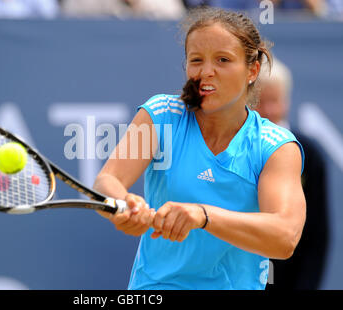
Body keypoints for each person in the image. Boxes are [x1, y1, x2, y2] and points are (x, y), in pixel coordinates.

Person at [93, 6, 306, 290]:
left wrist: (203, 216)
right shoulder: (161, 115)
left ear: (252, 70)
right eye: (196, 60)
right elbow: (108, 180)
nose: (206, 72)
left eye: (223, 60)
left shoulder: (276, 146)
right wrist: (124, 205)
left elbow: (284, 238)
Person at [255, 57, 329, 290]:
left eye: (274, 101)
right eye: (259, 101)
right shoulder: (234, 150)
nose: (268, 111)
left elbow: (317, 234)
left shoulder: (309, 153)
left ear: (286, 100)